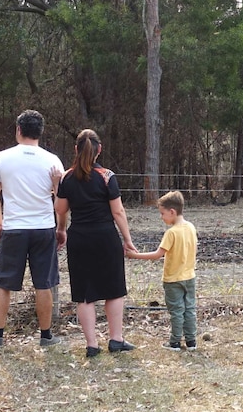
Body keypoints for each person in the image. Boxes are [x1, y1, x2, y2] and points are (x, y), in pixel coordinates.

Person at [0, 109, 65, 348]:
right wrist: (61, 228)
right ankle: (46, 335)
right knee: (44, 283)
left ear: (18, 130)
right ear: (40, 132)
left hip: (14, 228)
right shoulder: (52, 161)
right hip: (43, 228)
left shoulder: (3, 158)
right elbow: (61, 202)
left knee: (4, 283)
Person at [54, 129, 138, 358]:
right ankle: (116, 339)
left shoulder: (66, 178)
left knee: (84, 293)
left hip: (79, 238)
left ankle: (92, 345)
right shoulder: (107, 176)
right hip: (105, 237)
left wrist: (61, 226)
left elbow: (60, 210)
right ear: (99, 150)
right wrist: (128, 240)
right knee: (114, 289)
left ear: (76, 149)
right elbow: (118, 211)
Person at [128, 190, 198, 351]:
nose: (161, 217)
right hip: (190, 277)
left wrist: (135, 255)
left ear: (172, 212)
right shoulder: (191, 227)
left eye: (162, 213)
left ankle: (174, 342)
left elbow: (158, 254)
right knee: (189, 309)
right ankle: (191, 341)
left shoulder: (171, 232)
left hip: (173, 280)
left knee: (177, 311)